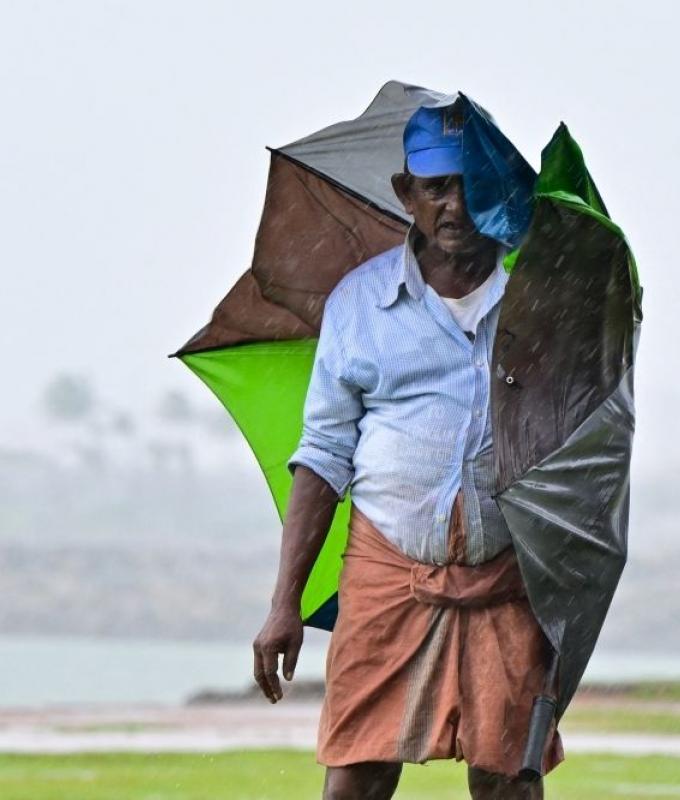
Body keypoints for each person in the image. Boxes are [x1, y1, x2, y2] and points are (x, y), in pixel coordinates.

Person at [253, 102, 563, 800]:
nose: (455, 203)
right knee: (356, 778)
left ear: (502, 192)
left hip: (510, 575)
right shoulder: (359, 305)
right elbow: (324, 454)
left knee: (510, 778)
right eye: (436, 186)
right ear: (406, 194)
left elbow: (584, 448)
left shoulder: (542, 302)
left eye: (473, 184)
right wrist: (284, 605)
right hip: (387, 568)